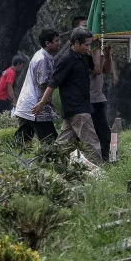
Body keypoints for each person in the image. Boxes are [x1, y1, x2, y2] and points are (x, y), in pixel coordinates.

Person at [32, 27, 102, 164]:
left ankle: (46, 168)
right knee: (92, 144)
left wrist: (97, 46)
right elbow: (53, 83)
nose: (89, 48)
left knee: (61, 147)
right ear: (76, 43)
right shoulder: (67, 59)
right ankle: (100, 175)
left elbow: (97, 69)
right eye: (86, 45)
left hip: (74, 110)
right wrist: (42, 103)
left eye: (90, 45)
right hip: (78, 110)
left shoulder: (82, 57)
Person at [72, 15, 114, 162]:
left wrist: (107, 53)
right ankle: (89, 161)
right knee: (85, 134)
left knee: (103, 133)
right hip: (86, 98)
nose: (88, 29)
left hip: (97, 96)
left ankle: (103, 160)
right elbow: (96, 69)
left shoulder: (94, 47)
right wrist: (97, 47)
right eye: (84, 26)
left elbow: (106, 71)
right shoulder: (84, 51)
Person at [13, 29, 61, 144]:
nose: (59, 42)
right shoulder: (42, 59)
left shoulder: (44, 56)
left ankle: (12, 158)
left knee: (22, 140)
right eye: (56, 40)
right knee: (49, 141)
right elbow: (43, 84)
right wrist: (47, 102)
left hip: (28, 104)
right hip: (36, 106)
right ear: (47, 43)